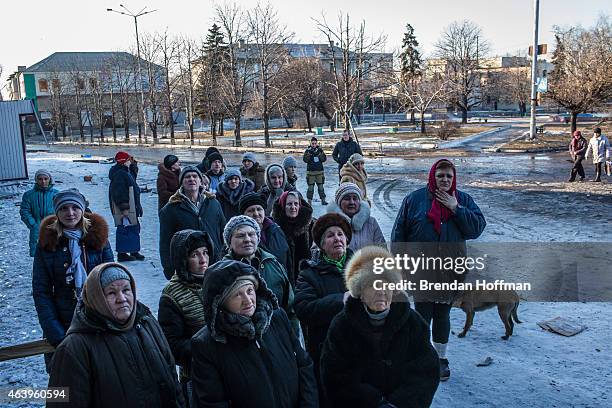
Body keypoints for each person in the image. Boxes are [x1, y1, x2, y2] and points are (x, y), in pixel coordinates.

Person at [391, 159, 486, 381]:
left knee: (442, 313)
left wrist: (456, 209)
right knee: (422, 313)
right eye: (440, 175)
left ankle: (440, 359)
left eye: (449, 176)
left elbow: (477, 229)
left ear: (454, 179)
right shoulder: (414, 200)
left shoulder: (463, 199)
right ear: (433, 176)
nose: (444, 179)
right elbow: (399, 235)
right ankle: (422, 356)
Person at [47, 262, 184, 408]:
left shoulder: (147, 323)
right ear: (96, 298)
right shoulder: (73, 348)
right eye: (111, 293)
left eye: (126, 290)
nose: (122, 299)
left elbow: (173, 383)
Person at [321, 246, 440, 408]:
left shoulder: (413, 322)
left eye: (387, 284)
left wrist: (399, 403)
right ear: (360, 293)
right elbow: (335, 376)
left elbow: (426, 371)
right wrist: (373, 402)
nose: (381, 291)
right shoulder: (342, 326)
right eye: (373, 285)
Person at [191, 260, 318, 408]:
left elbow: (304, 365)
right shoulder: (207, 344)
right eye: (237, 295)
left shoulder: (276, 318)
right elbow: (212, 402)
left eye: (250, 291)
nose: (248, 301)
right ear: (220, 302)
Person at [32, 189, 114, 369]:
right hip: (63, 322)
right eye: (64, 209)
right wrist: (56, 334)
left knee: (102, 380)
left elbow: (111, 282)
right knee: (67, 385)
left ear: (83, 209)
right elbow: (41, 292)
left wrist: (110, 320)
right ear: (57, 212)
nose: (70, 213)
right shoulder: (47, 243)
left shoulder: (98, 239)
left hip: (97, 320)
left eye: (75, 207)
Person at [294, 213, 354, 405]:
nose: (337, 238)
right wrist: (340, 300)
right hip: (327, 355)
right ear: (321, 244)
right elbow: (303, 308)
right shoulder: (309, 274)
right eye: (330, 235)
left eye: (340, 234)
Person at [159, 229, 214, 407]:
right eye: (195, 254)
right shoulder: (172, 294)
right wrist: (208, 348)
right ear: (182, 259)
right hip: (197, 377)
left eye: (205, 252)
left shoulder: (218, 282)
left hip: (229, 370)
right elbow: (172, 345)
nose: (202, 259)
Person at [222, 215, 298, 332]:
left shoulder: (273, 263)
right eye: (240, 235)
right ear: (229, 243)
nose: (247, 239)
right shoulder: (222, 272)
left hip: (278, 333)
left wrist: (294, 336)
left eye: (251, 234)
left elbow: (290, 307)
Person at [159, 166, 226, 280]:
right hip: (188, 265)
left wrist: (225, 257)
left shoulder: (213, 203)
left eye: (195, 176)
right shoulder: (170, 209)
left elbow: (224, 232)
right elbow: (165, 242)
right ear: (181, 183)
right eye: (187, 177)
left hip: (215, 262)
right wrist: (169, 268)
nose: (191, 179)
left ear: (200, 180)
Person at [239, 192, 291, 275]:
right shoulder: (238, 239)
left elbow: (288, 263)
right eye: (251, 211)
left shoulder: (276, 230)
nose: (256, 214)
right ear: (243, 214)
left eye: (259, 209)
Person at [272, 190, 316, 285]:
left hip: (306, 277)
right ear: (283, 206)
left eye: (296, 204)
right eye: (289, 204)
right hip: (282, 277)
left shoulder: (311, 224)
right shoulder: (275, 227)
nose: (293, 207)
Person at [328, 182, 385, 252]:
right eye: (347, 198)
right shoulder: (328, 223)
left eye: (355, 198)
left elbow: (382, 251)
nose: (352, 202)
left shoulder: (371, 223)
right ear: (339, 202)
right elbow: (316, 252)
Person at [109, 151, 144, 262]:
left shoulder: (124, 171)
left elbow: (132, 179)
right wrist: (124, 208)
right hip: (126, 207)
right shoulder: (120, 174)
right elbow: (120, 192)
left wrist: (134, 167)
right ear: (124, 162)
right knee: (125, 229)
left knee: (133, 227)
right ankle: (122, 253)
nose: (130, 161)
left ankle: (133, 250)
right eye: (128, 160)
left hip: (131, 205)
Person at [20, 169, 59, 256]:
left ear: (50, 179)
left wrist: (57, 223)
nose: (43, 181)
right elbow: (24, 211)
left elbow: (60, 210)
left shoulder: (56, 194)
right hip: (37, 228)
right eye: (40, 179)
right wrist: (33, 225)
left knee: (55, 252)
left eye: (46, 179)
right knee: (38, 254)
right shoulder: (29, 195)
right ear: (36, 180)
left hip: (54, 227)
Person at [303, 137, 328, 205]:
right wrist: (308, 156)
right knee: (310, 188)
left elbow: (324, 159)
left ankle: (323, 200)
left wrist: (320, 155)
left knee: (321, 187)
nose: (314, 144)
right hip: (310, 173)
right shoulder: (307, 151)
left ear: (316, 143)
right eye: (312, 143)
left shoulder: (320, 150)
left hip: (319, 172)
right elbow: (305, 160)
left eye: (315, 143)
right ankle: (309, 202)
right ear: (310, 143)